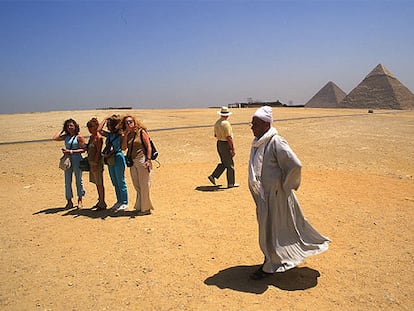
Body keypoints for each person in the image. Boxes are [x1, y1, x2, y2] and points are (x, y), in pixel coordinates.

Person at [248, 106, 330, 280]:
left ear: (266, 124)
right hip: (264, 197)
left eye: (255, 123)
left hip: (276, 197)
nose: (252, 127)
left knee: (273, 230)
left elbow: (295, 165)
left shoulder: (276, 141)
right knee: (268, 229)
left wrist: (285, 187)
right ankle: (271, 259)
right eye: (252, 123)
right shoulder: (259, 142)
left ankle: (269, 265)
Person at [121, 115, 154, 215]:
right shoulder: (128, 135)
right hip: (133, 161)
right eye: (126, 123)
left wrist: (148, 159)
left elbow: (148, 146)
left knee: (144, 185)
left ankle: (146, 209)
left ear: (134, 122)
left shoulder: (141, 132)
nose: (129, 124)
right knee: (137, 185)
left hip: (142, 159)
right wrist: (125, 136)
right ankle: (140, 206)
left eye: (130, 121)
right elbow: (123, 148)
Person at [53, 118, 86, 209]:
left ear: (75, 126)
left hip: (77, 159)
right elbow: (55, 138)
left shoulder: (79, 137)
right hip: (68, 160)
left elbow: (84, 149)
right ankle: (69, 200)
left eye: (71, 125)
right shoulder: (66, 136)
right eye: (68, 126)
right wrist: (63, 130)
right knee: (67, 181)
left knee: (78, 180)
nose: (70, 127)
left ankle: (80, 199)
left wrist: (71, 151)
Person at [98, 115, 128, 212]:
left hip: (118, 157)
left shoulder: (120, 135)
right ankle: (119, 201)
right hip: (110, 159)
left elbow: (124, 148)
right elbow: (99, 130)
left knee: (121, 181)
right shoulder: (110, 135)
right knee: (114, 181)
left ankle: (124, 202)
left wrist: (123, 137)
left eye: (110, 124)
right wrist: (105, 118)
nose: (108, 126)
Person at [208, 106, 238, 188]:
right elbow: (229, 137)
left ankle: (213, 176)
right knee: (230, 165)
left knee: (225, 162)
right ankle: (231, 183)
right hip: (225, 144)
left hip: (219, 143)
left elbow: (215, 135)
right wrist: (232, 148)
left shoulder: (217, 122)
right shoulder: (226, 123)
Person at [86, 117, 107, 210]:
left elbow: (98, 151)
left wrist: (94, 163)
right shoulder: (91, 137)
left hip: (96, 163)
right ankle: (100, 200)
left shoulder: (98, 138)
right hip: (91, 162)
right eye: (89, 127)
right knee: (96, 183)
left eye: (92, 127)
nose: (90, 129)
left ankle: (102, 202)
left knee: (99, 183)